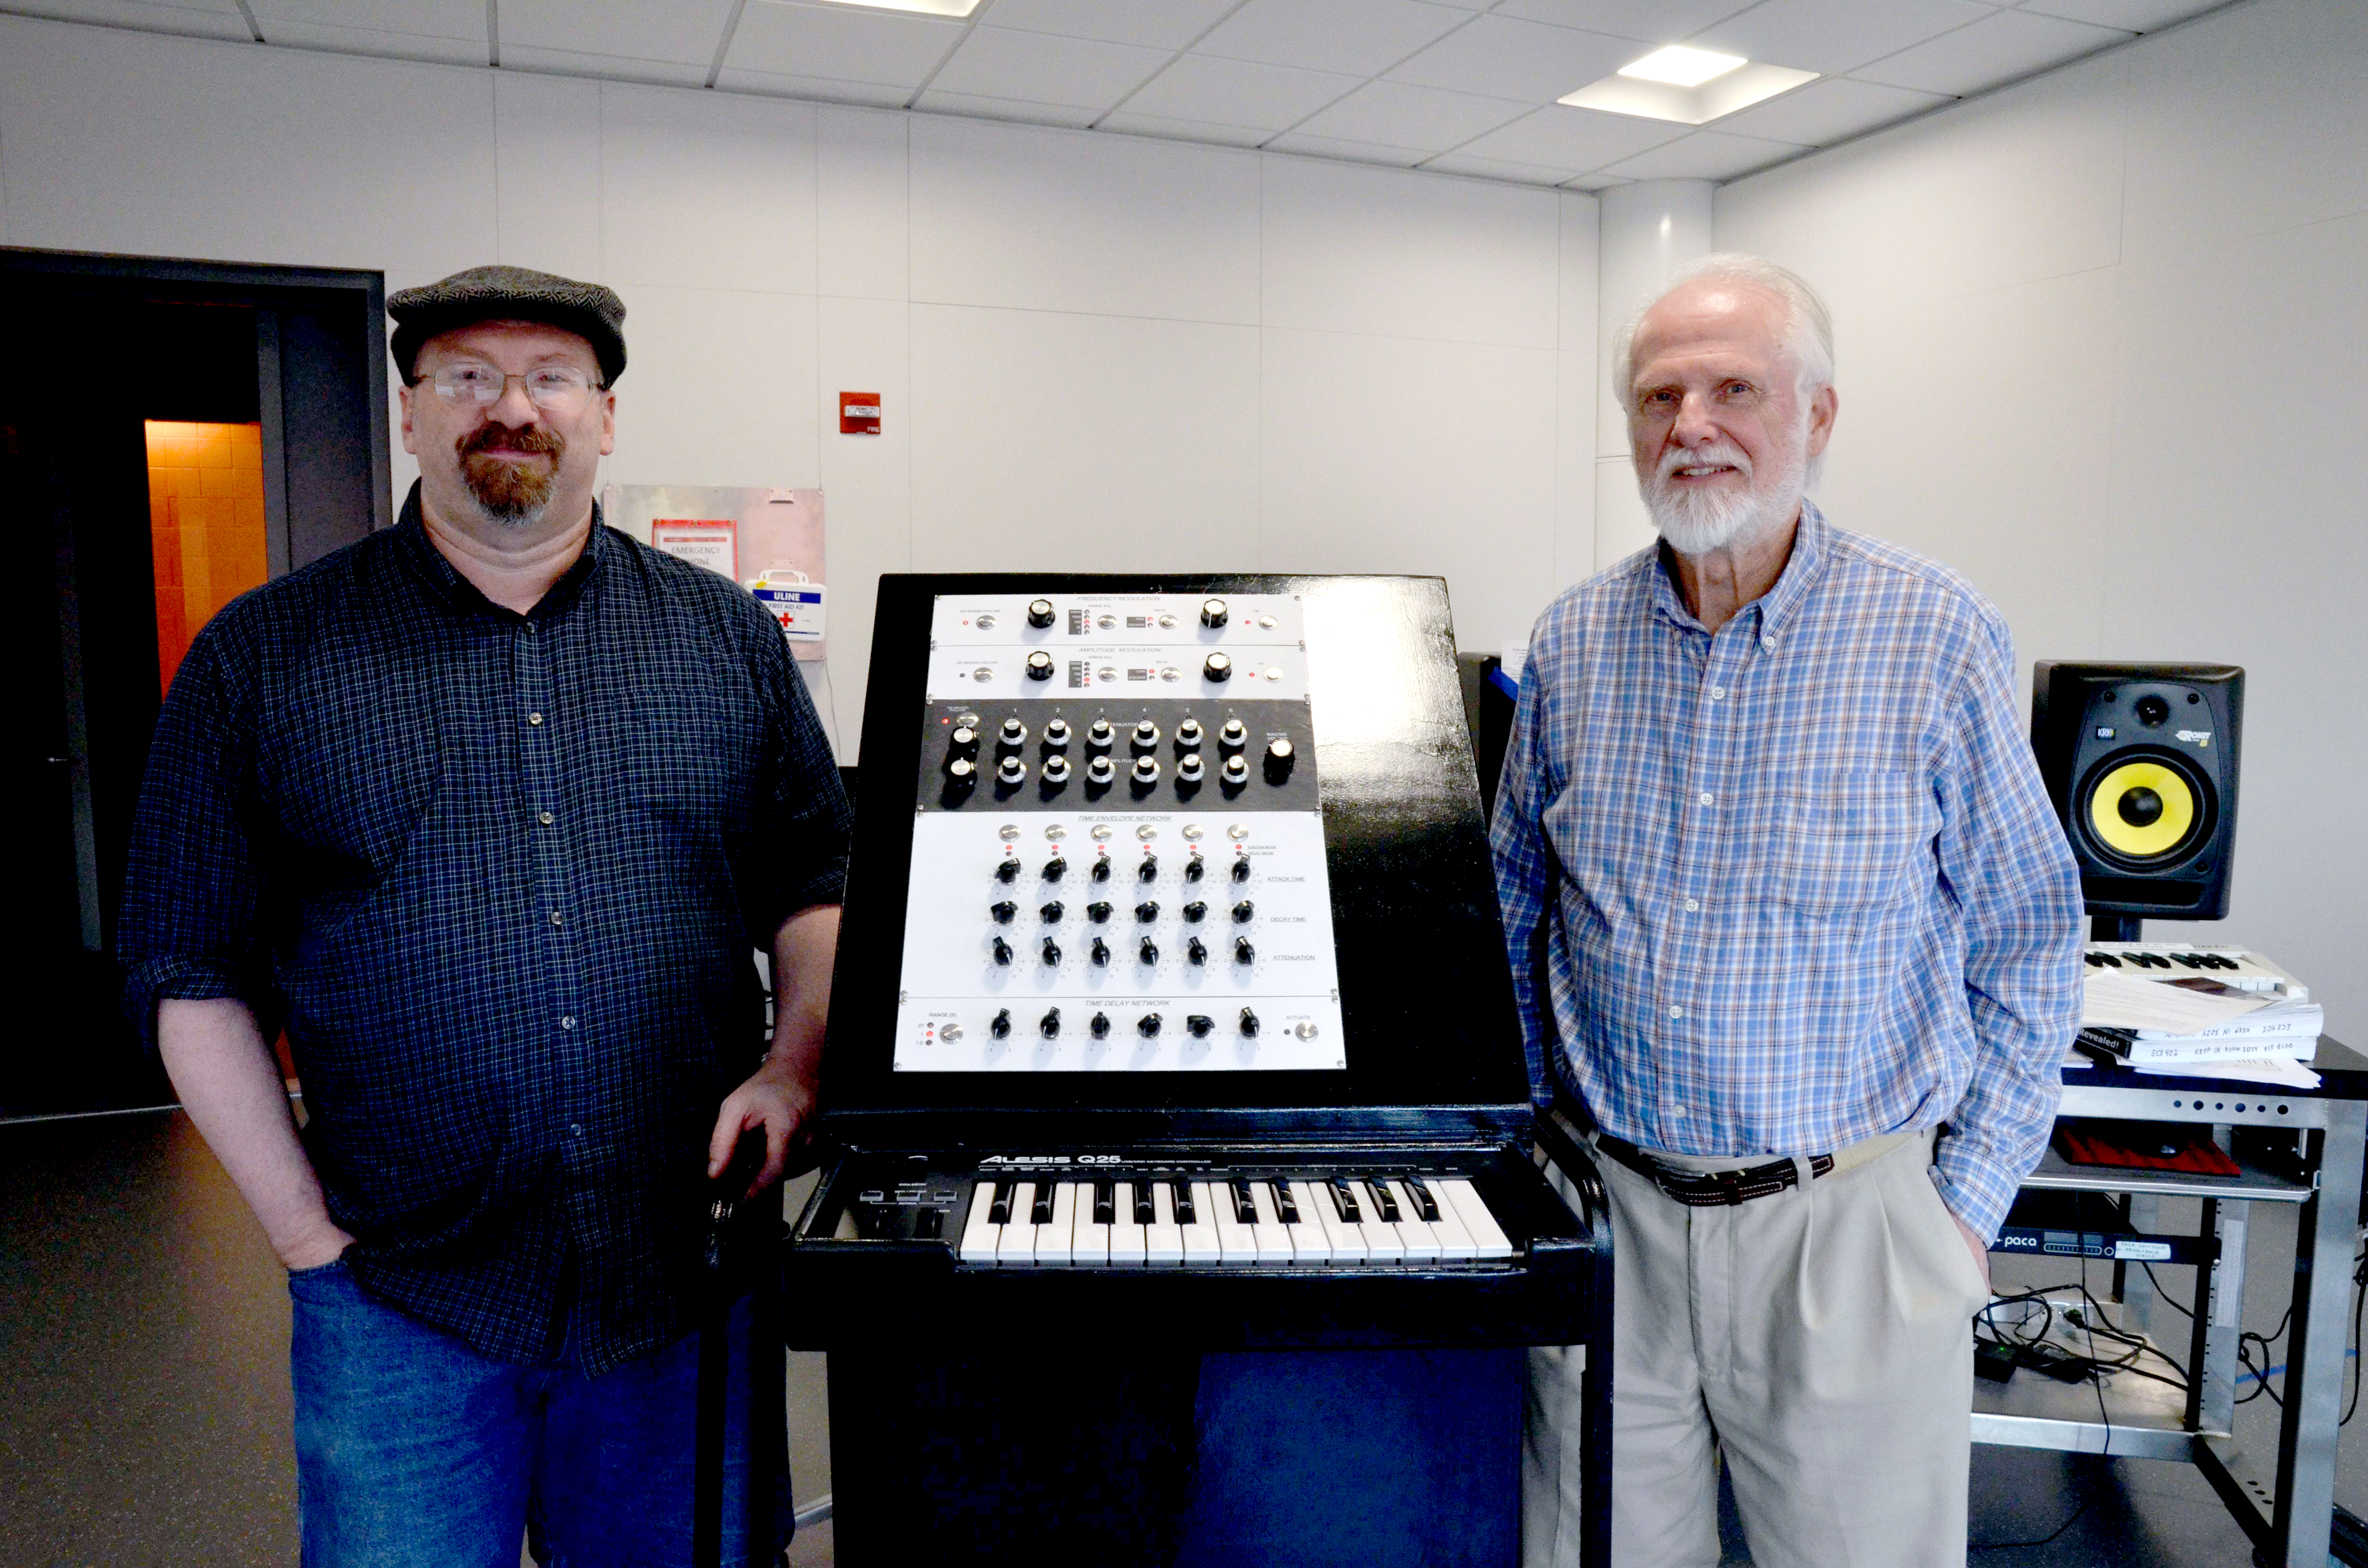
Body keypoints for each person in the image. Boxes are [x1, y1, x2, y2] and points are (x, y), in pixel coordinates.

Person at [119, 264, 851, 1568]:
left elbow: (815, 885)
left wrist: (795, 1067)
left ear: (606, 417)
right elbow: (187, 969)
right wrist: (308, 1241)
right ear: (412, 411)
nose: (510, 408)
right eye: (467, 376)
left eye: (550, 377)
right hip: (399, 1297)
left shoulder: (726, 644)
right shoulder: (262, 659)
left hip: (679, 1285)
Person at [1492, 254, 2082, 1568]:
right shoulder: (1574, 645)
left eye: (1734, 389)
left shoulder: (1935, 635)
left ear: (1816, 415)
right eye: (1658, 398)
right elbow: (1514, 911)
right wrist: (1543, 1156)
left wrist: (1962, 1219)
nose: (1690, 425)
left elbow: (2029, 940)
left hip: (1852, 1234)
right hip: (1616, 1225)